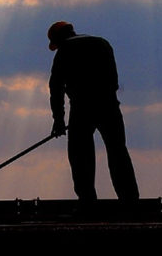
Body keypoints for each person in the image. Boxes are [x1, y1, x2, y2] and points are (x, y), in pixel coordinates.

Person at [47, 21, 139, 204]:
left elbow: (56, 88)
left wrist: (58, 119)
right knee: (118, 152)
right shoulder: (102, 43)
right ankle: (130, 201)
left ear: (59, 39)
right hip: (109, 106)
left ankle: (88, 202)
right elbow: (114, 80)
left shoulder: (65, 50)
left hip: (82, 109)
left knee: (80, 155)